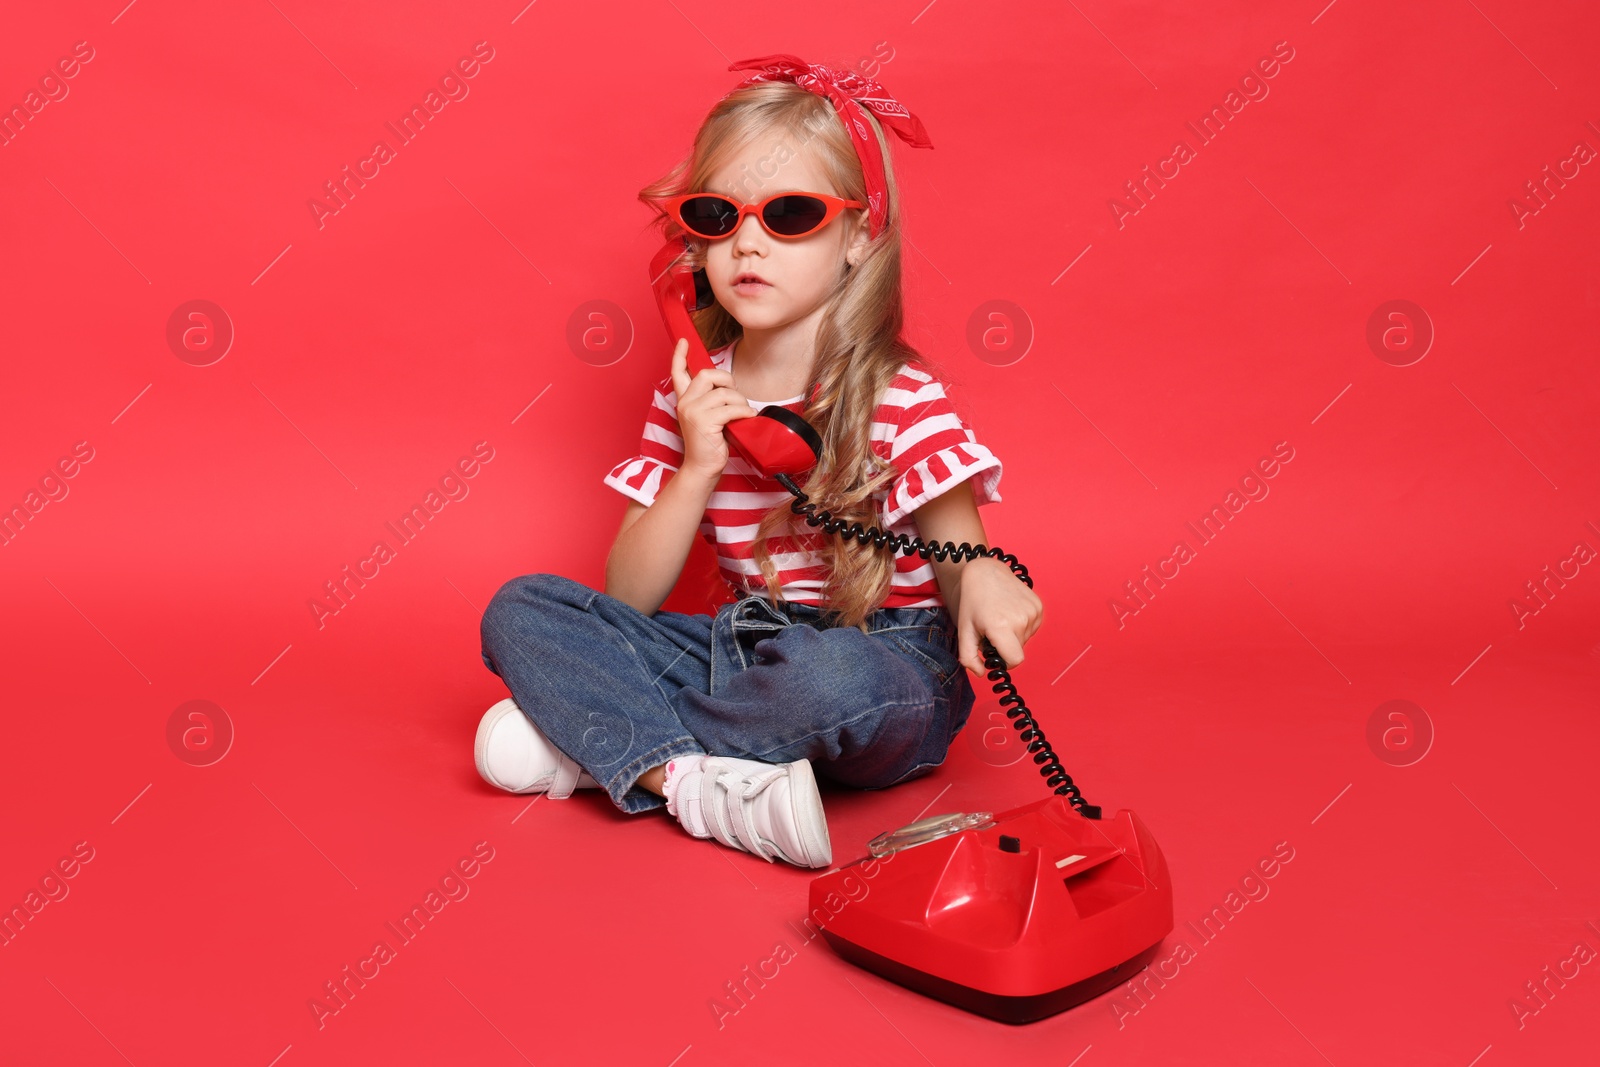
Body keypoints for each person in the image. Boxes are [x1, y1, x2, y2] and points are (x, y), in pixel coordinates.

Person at [474, 55, 1043, 869]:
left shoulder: (902, 394)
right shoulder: (693, 394)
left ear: (856, 238)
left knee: (825, 678)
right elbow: (629, 596)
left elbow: (961, 557)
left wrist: (984, 576)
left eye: (789, 214)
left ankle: (603, 744)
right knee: (522, 609)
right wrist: (697, 466)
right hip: (743, 650)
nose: (746, 242)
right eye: (718, 215)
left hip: (885, 662)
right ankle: (688, 778)